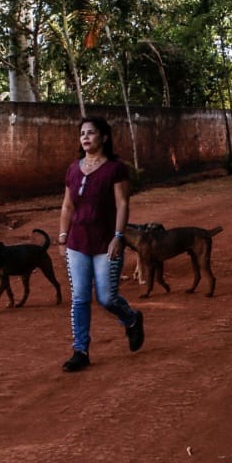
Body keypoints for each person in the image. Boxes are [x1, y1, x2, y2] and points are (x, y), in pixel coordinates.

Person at [56, 116, 144, 372]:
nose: (85, 137)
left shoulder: (115, 169)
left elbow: (122, 204)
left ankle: (131, 318)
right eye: (82, 133)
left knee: (106, 298)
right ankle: (80, 350)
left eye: (91, 133)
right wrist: (62, 237)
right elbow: (67, 206)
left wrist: (118, 237)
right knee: (80, 297)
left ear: (104, 137)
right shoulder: (73, 169)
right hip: (77, 243)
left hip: (107, 243)